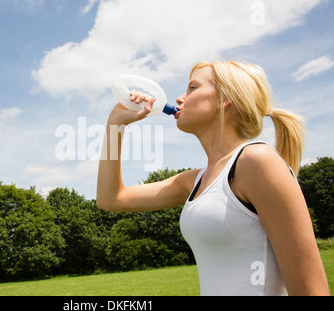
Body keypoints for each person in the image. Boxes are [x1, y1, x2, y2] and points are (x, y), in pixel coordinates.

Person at [96, 60, 330, 296]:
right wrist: (116, 123)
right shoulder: (194, 181)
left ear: (225, 99)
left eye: (192, 88)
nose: (179, 98)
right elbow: (111, 199)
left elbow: (312, 291)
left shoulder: (256, 161)